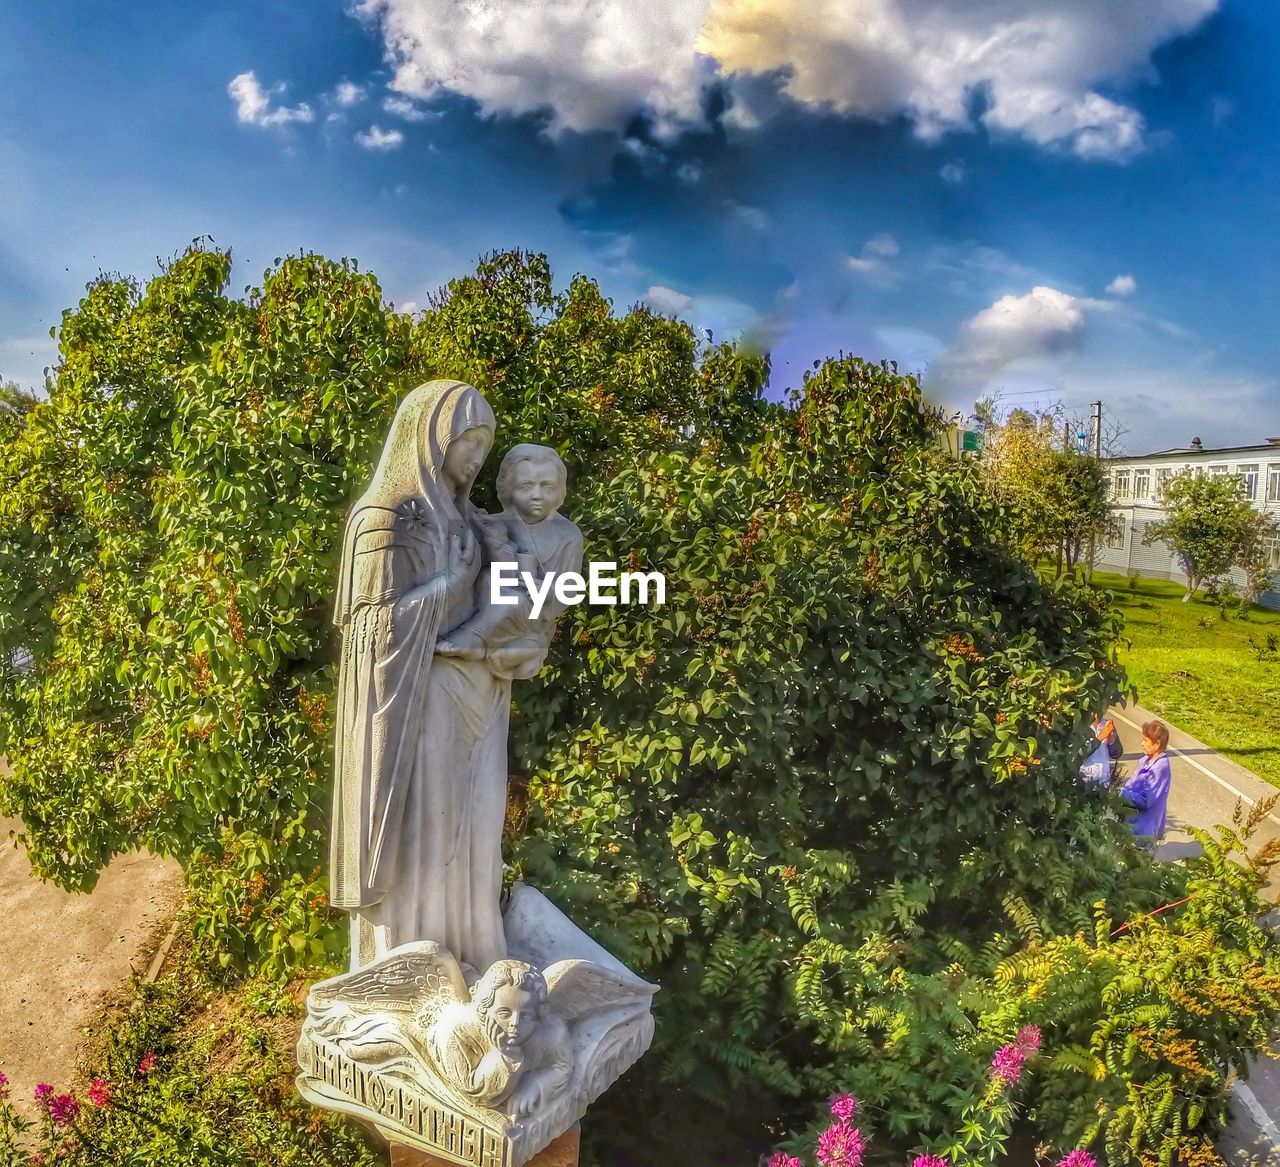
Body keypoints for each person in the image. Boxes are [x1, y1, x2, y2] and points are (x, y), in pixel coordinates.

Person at [330, 379, 510, 973]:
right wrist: (446, 590)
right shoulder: (386, 516)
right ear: (431, 437)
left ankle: (467, 955)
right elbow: (368, 633)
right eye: (469, 440)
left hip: (475, 700)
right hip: (415, 709)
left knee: (471, 836)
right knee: (427, 840)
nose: (478, 455)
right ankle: (409, 971)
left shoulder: (469, 521)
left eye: (485, 443)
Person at [1120, 719, 1173, 844]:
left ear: (1156, 744)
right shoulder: (1146, 761)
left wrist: (1120, 794)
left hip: (1143, 831)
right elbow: (1131, 785)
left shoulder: (1160, 769)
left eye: (1145, 740)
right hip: (1133, 826)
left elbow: (1146, 800)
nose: (1142, 743)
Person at [1079, 715, 1123, 785]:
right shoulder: (1079, 725)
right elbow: (1079, 754)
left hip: (1104, 782)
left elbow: (1117, 754)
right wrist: (1099, 739)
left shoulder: (1106, 724)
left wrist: (1111, 740)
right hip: (1083, 781)